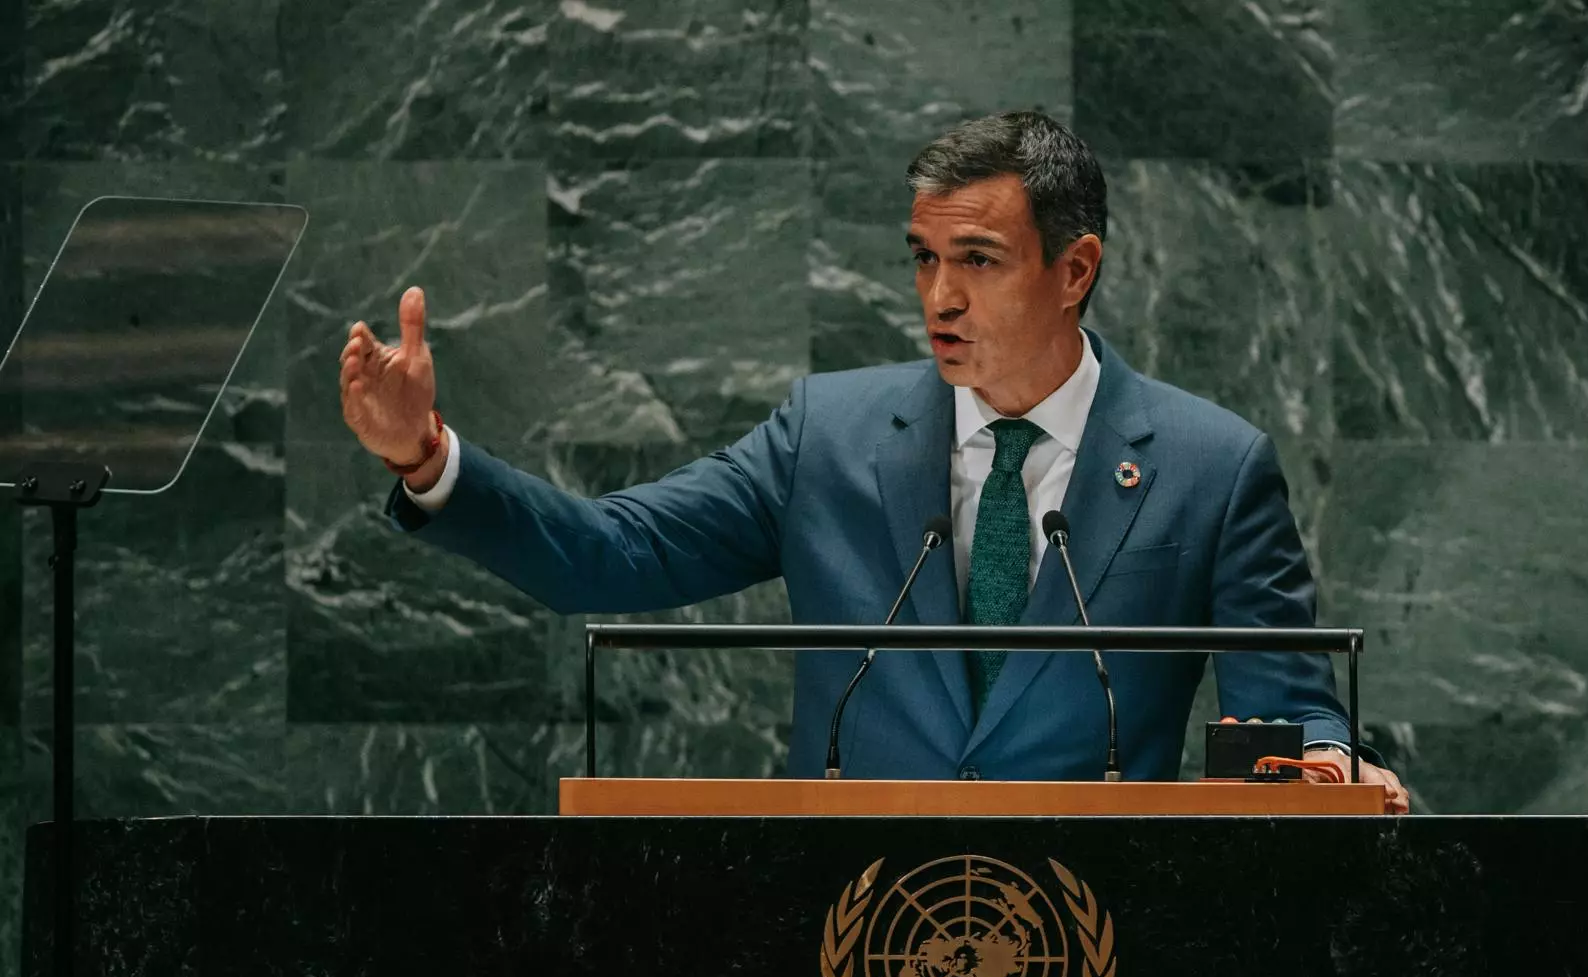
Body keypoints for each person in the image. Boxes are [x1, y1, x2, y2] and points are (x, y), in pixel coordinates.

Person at [338, 111, 1410, 811]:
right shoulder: (828, 438)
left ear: (1074, 268)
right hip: (842, 935)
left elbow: (1288, 710)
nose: (938, 296)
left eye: (978, 262)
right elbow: (607, 557)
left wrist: (1323, 762)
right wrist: (429, 456)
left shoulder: (1212, 467)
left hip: (1106, 942)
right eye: (923, 258)